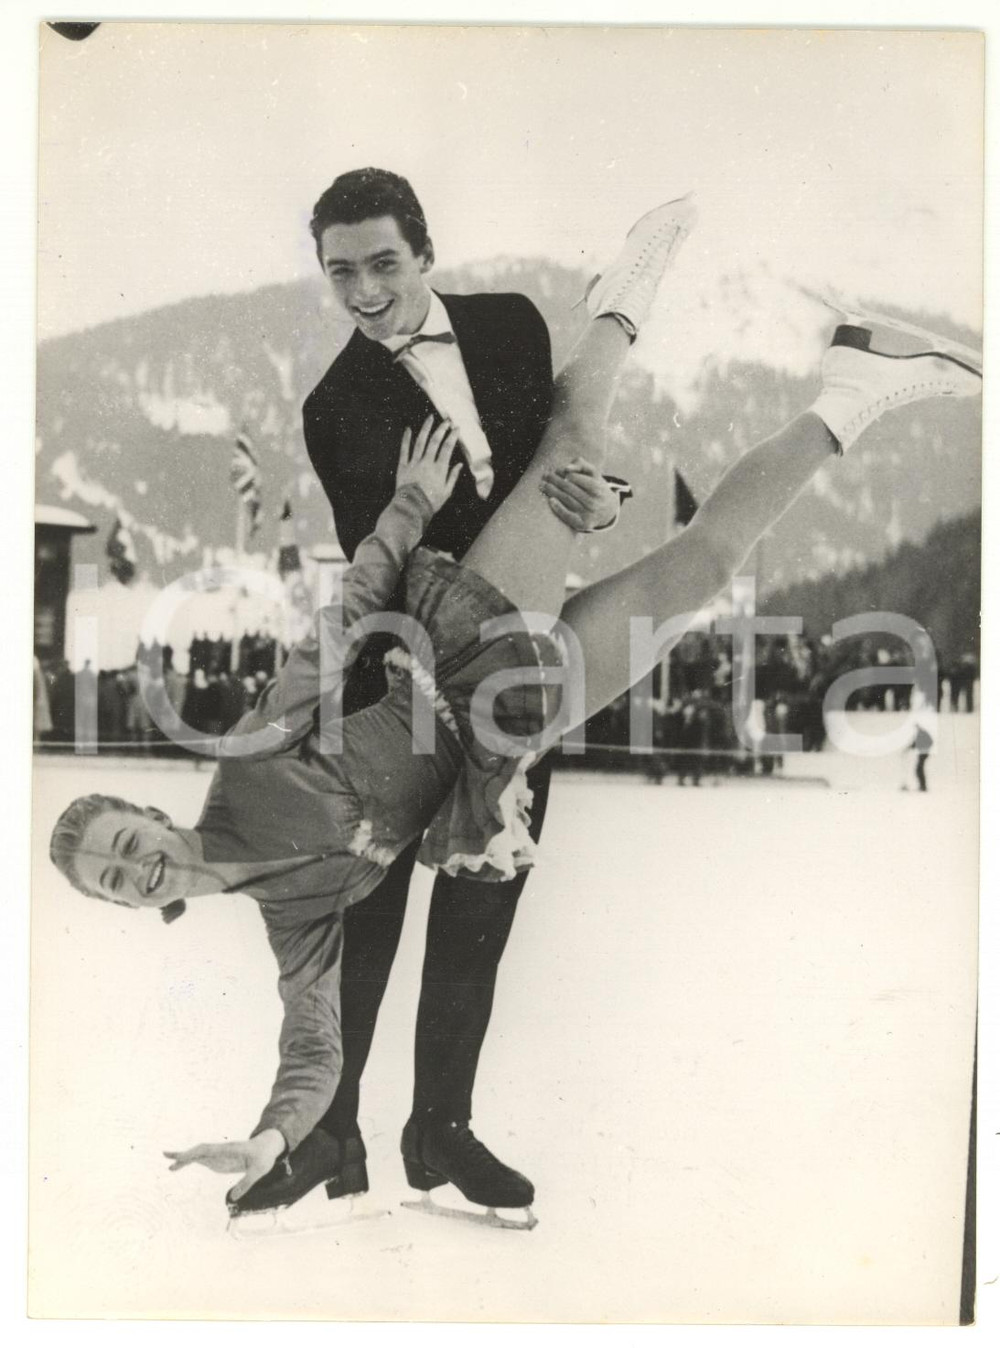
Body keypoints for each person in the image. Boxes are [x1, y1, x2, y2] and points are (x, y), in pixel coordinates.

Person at [49, 199, 982, 1227]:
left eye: (122, 842)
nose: (133, 867)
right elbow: (310, 1041)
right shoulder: (291, 920)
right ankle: (852, 390)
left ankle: (621, 305)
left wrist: (416, 504)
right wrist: (271, 1133)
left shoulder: (245, 766)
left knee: (569, 446)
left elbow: (346, 614)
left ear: (146, 815)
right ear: (130, 907)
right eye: (116, 881)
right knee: (705, 564)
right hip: (502, 729)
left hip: (457, 637)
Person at [283, 167, 631, 1221]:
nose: (364, 290)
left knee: (481, 904)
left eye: (383, 263)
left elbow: (552, 478)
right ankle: (329, 1128)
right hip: (400, 679)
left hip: (512, 676)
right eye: (341, 271)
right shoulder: (334, 405)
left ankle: (442, 1126)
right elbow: (377, 572)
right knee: (373, 907)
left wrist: (593, 501)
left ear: (424, 253)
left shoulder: (513, 329)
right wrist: (409, 501)